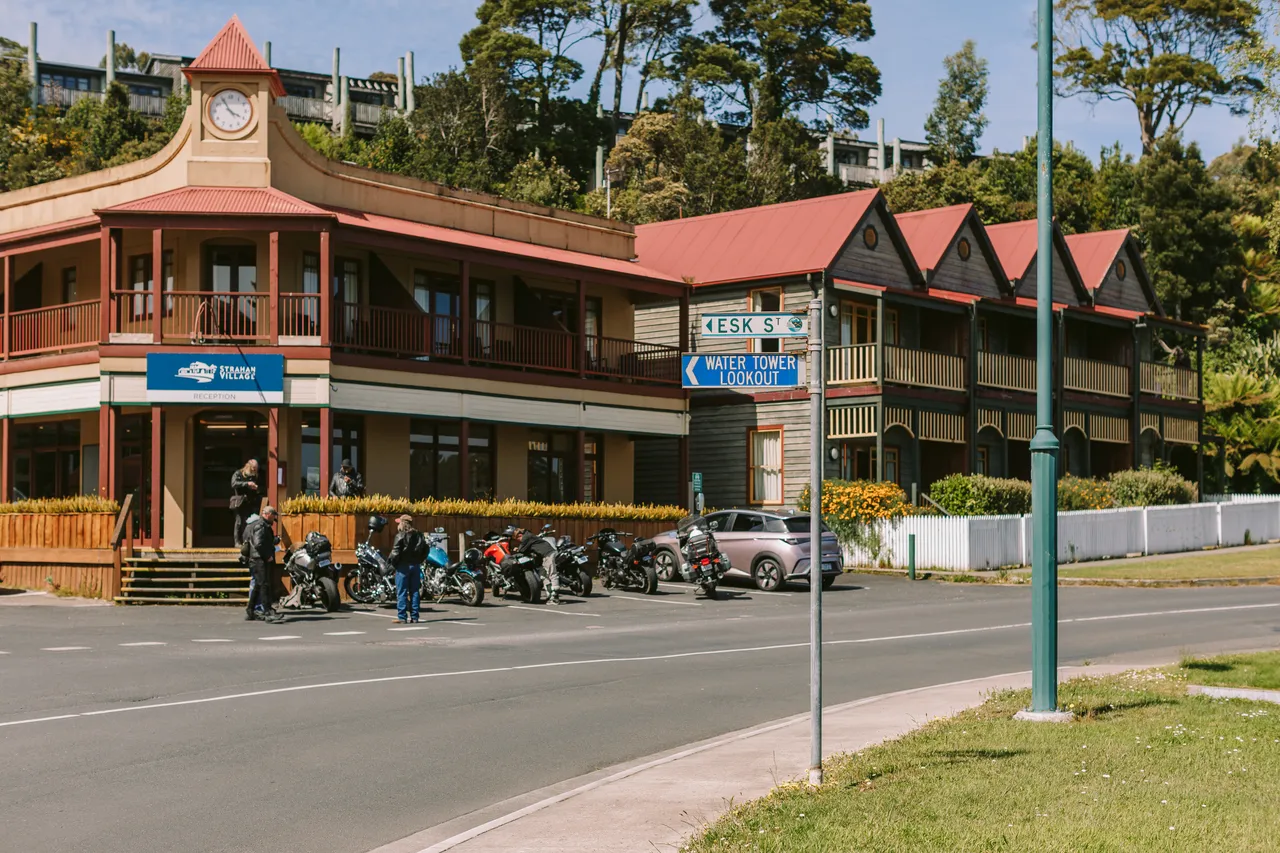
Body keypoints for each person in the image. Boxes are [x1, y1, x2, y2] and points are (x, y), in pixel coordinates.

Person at [244, 505, 283, 623]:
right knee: (264, 584)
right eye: (273, 515)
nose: (274, 518)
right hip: (259, 560)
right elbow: (258, 543)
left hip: (258, 559)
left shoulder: (264, 525)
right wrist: (268, 556)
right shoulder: (260, 525)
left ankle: (251, 610)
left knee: (258, 585)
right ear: (267, 514)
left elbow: (266, 541)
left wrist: (275, 540)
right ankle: (267, 612)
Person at [387, 513, 426, 624]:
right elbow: (425, 550)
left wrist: (392, 564)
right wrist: (420, 560)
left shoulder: (400, 535)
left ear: (403, 524)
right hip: (415, 565)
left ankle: (402, 617)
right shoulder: (419, 535)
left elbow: (395, 552)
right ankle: (415, 617)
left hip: (403, 566)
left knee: (402, 592)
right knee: (414, 591)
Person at [230, 459, 262, 547]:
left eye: (256, 469)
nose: (254, 471)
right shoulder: (238, 473)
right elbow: (234, 484)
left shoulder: (254, 476)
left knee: (250, 522)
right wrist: (247, 484)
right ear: (248, 466)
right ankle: (237, 542)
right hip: (239, 502)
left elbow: (259, 488)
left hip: (250, 502)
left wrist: (256, 488)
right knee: (239, 522)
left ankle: (247, 542)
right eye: (253, 469)